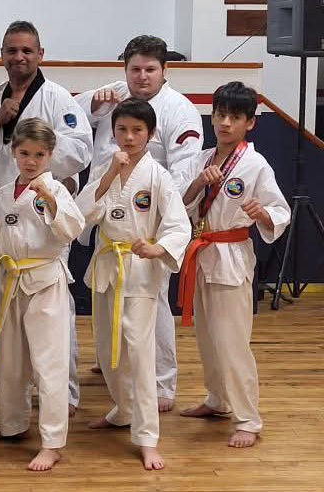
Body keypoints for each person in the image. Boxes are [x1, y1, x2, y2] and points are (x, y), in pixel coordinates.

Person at [0, 21, 92, 413]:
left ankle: (63, 392)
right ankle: (2, 372)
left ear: (40, 55)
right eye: (12, 50)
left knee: (52, 314)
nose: (19, 57)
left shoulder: (57, 99)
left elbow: (81, 150)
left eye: (27, 51)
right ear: (2, 55)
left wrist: (37, 160)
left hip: (40, 217)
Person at [75, 35, 203, 412]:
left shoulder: (180, 111)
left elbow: (183, 171)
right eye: (135, 69)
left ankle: (162, 381)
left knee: (153, 304)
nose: (142, 76)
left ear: (165, 70)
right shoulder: (113, 95)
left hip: (148, 219)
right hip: (107, 211)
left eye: (150, 69)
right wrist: (93, 102)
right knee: (108, 298)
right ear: (124, 69)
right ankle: (116, 366)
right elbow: (72, 116)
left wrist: (159, 226)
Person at [76, 99, 191, 470]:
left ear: (150, 134)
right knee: (107, 347)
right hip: (107, 267)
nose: (128, 137)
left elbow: (178, 225)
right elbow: (81, 216)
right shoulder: (105, 169)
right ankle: (123, 409)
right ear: (113, 132)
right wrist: (110, 173)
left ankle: (147, 437)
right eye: (122, 129)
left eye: (137, 130)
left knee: (140, 354)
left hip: (139, 271)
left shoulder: (158, 176)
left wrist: (158, 248)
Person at [178, 82, 291, 448]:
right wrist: (198, 183)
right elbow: (180, 205)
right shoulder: (201, 159)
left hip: (231, 255)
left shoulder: (255, 164)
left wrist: (262, 213)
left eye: (235, 117)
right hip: (201, 252)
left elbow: (280, 211)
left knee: (232, 341)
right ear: (212, 117)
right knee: (208, 337)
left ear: (250, 122)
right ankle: (218, 399)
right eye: (220, 115)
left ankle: (248, 419)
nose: (225, 123)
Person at [0, 118, 84, 471]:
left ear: (50, 155)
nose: (31, 161)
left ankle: (52, 442)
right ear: (14, 152)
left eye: (39, 155)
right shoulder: (1, 193)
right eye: (24, 153)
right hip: (9, 280)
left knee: (49, 363)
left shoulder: (57, 190)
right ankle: (12, 424)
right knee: (10, 360)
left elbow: (72, 230)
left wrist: (51, 201)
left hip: (45, 281)